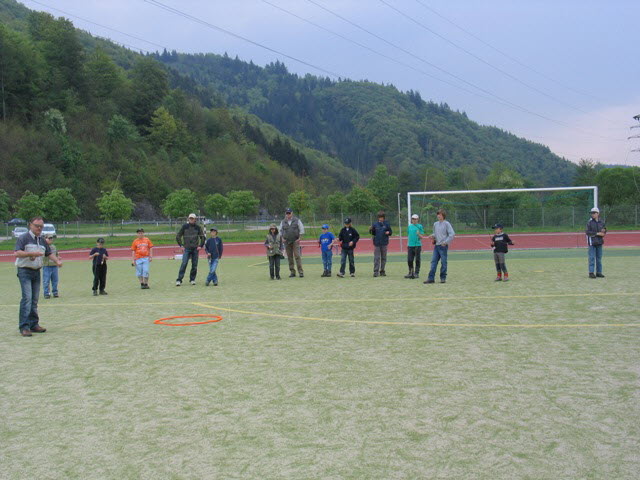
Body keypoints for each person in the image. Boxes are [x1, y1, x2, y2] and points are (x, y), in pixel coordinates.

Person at [14, 216, 62, 336]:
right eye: (37, 226)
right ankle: (24, 327)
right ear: (30, 225)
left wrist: (57, 261)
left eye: (41, 226)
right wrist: (31, 253)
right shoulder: (23, 238)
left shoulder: (41, 240)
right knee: (27, 298)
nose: (39, 228)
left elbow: (48, 253)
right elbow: (17, 253)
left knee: (34, 300)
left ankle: (34, 324)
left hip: (36, 271)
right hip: (24, 271)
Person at [424, 209, 455, 284]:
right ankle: (431, 278)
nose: (438, 216)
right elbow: (435, 234)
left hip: (443, 247)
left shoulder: (447, 224)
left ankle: (443, 278)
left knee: (444, 263)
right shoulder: (435, 224)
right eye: (438, 214)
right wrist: (432, 236)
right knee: (433, 262)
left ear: (443, 215)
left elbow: (452, 234)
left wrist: (445, 242)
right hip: (436, 246)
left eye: (440, 214)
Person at [175, 213, 205, 286]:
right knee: (184, 263)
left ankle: (192, 279)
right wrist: (181, 245)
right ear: (188, 219)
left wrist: (201, 245)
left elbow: (202, 237)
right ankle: (179, 279)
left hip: (195, 249)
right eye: (190, 218)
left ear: (195, 219)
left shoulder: (198, 227)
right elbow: (178, 236)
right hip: (187, 248)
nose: (191, 220)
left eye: (193, 218)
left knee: (194, 265)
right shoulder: (184, 226)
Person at [279, 207, 305, 278]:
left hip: (295, 241)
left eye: (289, 213)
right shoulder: (283, 222)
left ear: (292, 213)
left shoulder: (297, 220)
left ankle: (300, 272)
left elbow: (302, 229)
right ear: (285, 214)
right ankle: (292, 272)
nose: (288, 215)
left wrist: (300, 238)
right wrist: (282, 238)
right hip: (286, 242)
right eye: (287, 213)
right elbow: (280, 231)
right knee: (289, 257)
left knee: (297, 256)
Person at [369, 211, 392, 277]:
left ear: (384, 217)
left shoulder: (387, 224)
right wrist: (370, 229)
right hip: (377, 243)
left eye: (382, 217)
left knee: (384, 258)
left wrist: (388, 232)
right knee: (377, 258)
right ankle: (376, 271)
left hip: (384, 243)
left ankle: (382, 270)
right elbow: (373, 233)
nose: (380, 219)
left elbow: (390, 232)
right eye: (379, 217)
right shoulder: (375, 224)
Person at [586, 207, 606, 279]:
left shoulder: (602, 222)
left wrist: (603, 232)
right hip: (592, 243)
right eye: (592, 213)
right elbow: (588, 232)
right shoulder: (589, 222)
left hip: (599, 242)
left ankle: (599, 272)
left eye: (594, 213)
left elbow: (604, 230)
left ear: (598, 213)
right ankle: (591, 273)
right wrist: (597, 233)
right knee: (591, 258)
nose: (592, 214)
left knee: (599, 258)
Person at [405, 213, 426, 279]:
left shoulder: (420, 226)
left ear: (417, 219)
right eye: (413, 219)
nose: (414, 220)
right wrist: (407, 244)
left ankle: (416, 273)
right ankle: (410, 272)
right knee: (409, 260)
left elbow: (421, 237)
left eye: (415, 219)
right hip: (410, 245)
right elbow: (409, 235)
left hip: (417, 245)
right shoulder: (409, 226)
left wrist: (418, 234)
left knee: (417, 259)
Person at [42, 234, 60, 299]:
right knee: (46, 281)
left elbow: (56, 254)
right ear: (45, 239)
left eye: (51, 238)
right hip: (47, 266)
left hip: (54, 266)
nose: (51, 239)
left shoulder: (53, 247)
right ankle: (46, 293)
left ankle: (55, 292)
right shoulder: (43, 247)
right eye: (49, 238)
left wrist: (58, 258)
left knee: (55, 280)